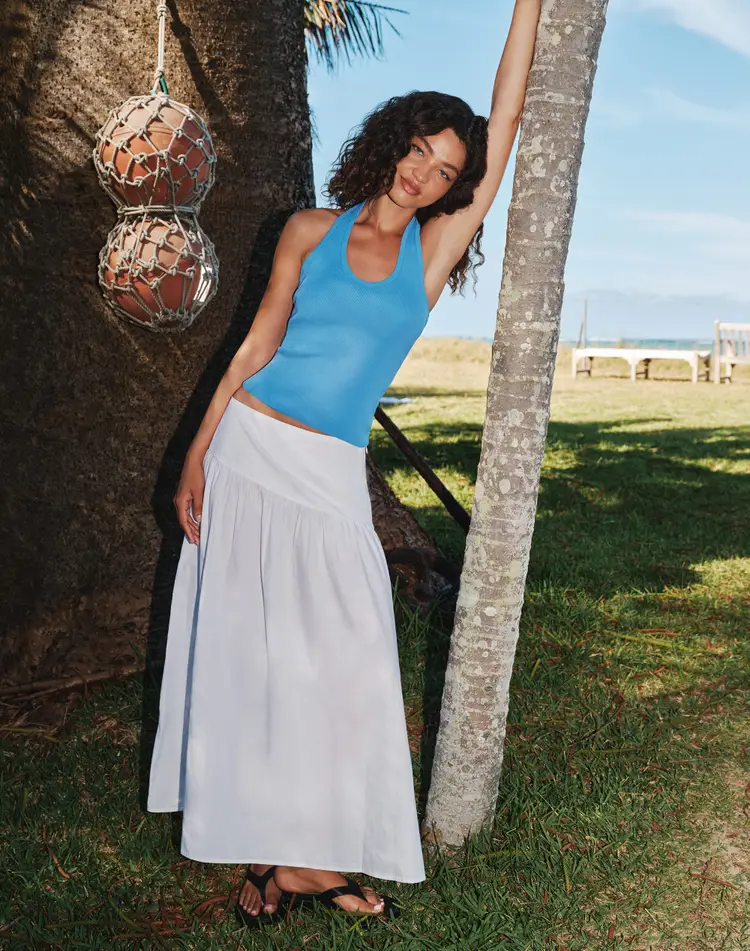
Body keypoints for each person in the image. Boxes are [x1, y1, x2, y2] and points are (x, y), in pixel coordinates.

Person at [147, 0, 541, 927]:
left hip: (329, 476)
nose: (425, 173)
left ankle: (305, 858)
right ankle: (278, 863)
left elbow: (510, 119)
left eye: (446, 169)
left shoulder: (432, 252)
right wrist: (196, 456)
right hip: (248, 451)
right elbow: (251, 350)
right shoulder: (307, 230)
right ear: (394, 139)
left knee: (348, 654)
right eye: (419, 151)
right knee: (251, 659)